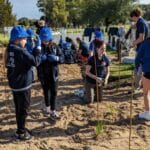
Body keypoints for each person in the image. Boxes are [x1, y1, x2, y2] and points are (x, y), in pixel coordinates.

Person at [6, 26, 41, 140]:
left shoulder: (10, 48)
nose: (26, 41)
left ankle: (21, 127)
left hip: (15, 83)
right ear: (18, 39)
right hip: (22, 85)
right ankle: (21, 132)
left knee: (18, 107)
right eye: (24, 39)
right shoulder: (20, 51)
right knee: (23, 109)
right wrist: (38, 48)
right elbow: (35, 62)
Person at [38, 26, 63, 121]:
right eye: (43, 40)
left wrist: (56, 58)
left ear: (50, 38)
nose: (45, 42)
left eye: (47, 40)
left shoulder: (55, 47)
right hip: (43, 75)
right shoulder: (38, 48)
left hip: (54, 75)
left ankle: (53, 111)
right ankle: (48, 108)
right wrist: (39, 59)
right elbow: (34, 61)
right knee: (46, 92)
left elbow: (62, 58)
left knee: (54, 92)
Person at [85, 39, 110, 104]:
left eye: (105, 49)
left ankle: (93, 92)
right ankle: (86, 92)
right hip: (90, 82)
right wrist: (96, 78)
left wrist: (106, 79)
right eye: (102, 49)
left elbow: (108, 71)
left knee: (99, 100)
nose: (104, 50)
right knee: (90, 101)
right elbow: (87, 72)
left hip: (99, 82)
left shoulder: (106, 58)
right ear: (97, 49)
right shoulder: (91, 59)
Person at [135, 38, 150, 120]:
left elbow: (138, 58)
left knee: (146, 93)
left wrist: (137, 67)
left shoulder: (145, 43)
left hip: (148, 71)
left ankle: (148, 113)